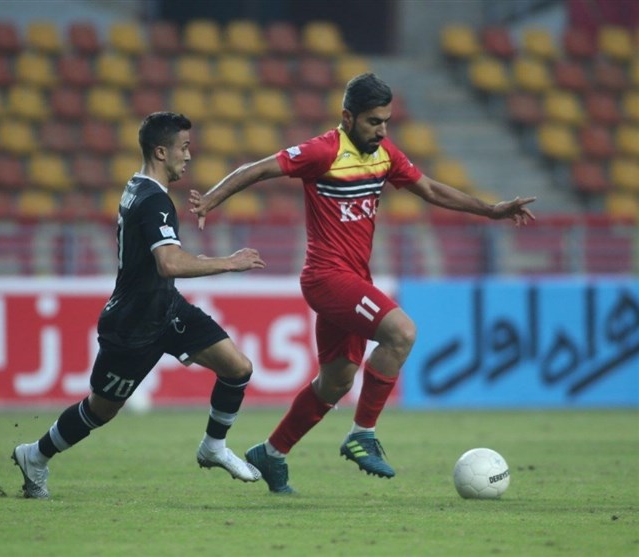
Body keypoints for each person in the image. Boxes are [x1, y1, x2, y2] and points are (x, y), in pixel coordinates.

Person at [189, 73, 536, 494]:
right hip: (326, 277)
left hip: (353, 279)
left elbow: (429, 189)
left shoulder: (384, 154)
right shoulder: (323, 151)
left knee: (335, 382)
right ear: (348, 117)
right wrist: (211, 199)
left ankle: (271, 452)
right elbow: (259, 169)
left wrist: (492, 210)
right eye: (373, 122)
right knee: (402, 332)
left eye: (386, 121)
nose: (382, 130)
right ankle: (362, 434)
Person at [12, 112, 266, 498]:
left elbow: (160, 261)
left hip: (166, 308)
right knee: (101, 410)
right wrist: (229, 263)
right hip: (132, 325)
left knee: (238, 368)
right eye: (184, 148)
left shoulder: (137, 186)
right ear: (161, 152)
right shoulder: (154, 201)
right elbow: (168, 263)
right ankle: (35, 455)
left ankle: (213, 447)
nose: (189, 156)